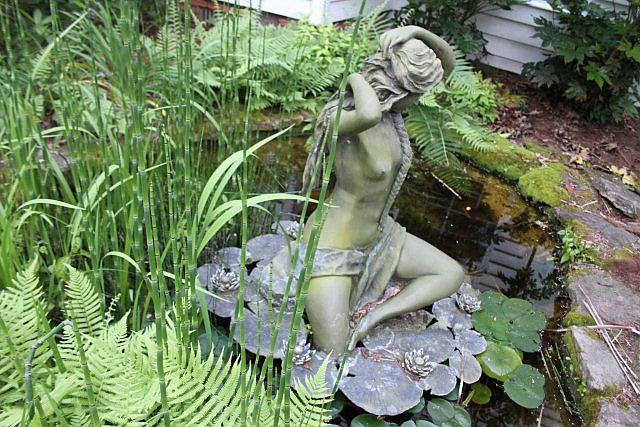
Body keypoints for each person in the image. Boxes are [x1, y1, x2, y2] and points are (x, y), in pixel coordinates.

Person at [300, 26, 465, 354]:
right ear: (400, 87)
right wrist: (354, 76)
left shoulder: (392, 117)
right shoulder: (342, 119)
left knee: (451, 273)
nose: (420, 100)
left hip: (380, 239)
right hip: (334, 249)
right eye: (418, 92)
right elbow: (368, 113)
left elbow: (448, 63)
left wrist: (417, 32)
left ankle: (374, 314)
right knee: (334, 352)